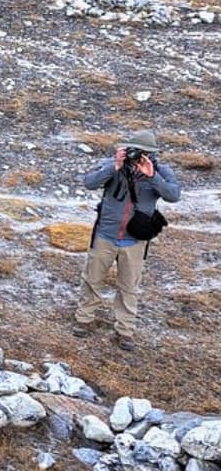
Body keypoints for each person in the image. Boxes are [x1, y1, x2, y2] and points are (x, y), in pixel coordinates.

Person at [73, 130, 182, 351]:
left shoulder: (160, 171)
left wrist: (153, 177)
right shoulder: (113, 165)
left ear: (151, 154)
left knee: (129, 287)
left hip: (135, 240)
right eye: (131, 150)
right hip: (105, 235)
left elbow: (173, 195)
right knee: (92, 279)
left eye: (141, 152)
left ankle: (125, 330)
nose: (135, 155)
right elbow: (88, 183)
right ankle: (84, 319)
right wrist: (113, 167)